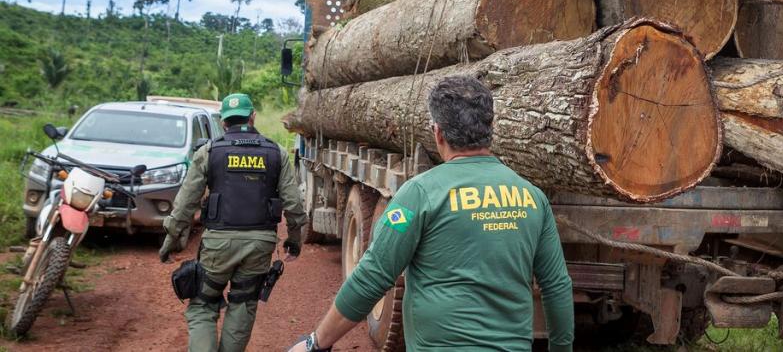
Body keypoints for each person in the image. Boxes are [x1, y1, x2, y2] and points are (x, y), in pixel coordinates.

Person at [288, 76, 574, 352]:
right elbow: (557, 285)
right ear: (492, 126)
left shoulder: (419, 194)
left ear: (437, 132)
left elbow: (373, 276)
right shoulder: (532, 197)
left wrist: (317, 342)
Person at [160, 92, 306, 351]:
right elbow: (293, 205)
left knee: (203, 303)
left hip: (218, 243)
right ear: (252, 117)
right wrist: (294, 241)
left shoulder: (209, 152)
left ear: (224, 122)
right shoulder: (277, 153)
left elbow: (185, 204)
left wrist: (171, 241)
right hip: (260, 244)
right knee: (243, 302)